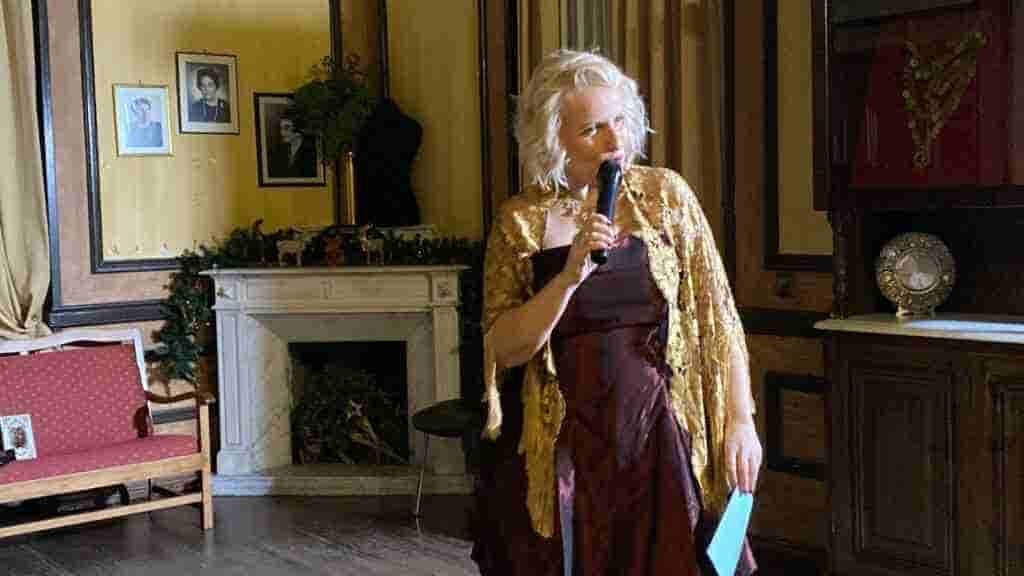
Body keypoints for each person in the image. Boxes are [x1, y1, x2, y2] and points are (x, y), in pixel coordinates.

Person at [473, 49, 761, 575]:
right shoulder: (521, 221)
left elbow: (718, 317)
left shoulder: (665, 195)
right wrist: (568, 277)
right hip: (567, 444)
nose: (615, 141)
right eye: (592, 129)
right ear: (552, 139)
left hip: (661, 432)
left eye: (621, 121)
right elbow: (505, 348)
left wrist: (741, 421)